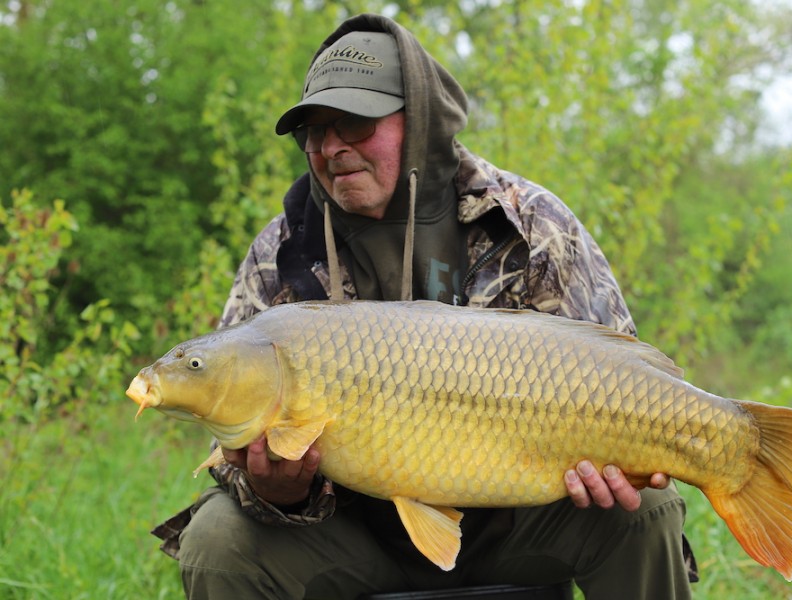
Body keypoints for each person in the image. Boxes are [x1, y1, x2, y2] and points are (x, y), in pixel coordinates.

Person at [155, 13, 697, 599]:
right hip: (348, 531)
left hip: (521, 519)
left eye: (355, 123)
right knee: (217, 543)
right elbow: (233, 446)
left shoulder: (529, 223)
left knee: (646, 510)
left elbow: (622, 370)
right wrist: (276, 489)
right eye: (313, 132)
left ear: (419, 121)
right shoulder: (284, 249)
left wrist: (616, 464)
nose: (332, 148)